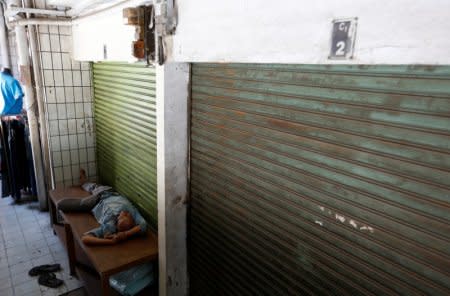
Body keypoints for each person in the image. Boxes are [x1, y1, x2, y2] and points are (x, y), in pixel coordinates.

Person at [57, 170, 148, 246]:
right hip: (108, 192)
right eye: (126, 214)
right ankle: (84, 182)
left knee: (63, 204)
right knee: (94, 187)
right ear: (131, 219)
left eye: (122, 217)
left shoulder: (110, 226)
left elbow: (85, 238)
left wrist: (111, 242)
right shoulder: (133, 213)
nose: (124, 213)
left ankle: (84, 186)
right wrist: (125, 235)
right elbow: (143, 225)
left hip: (96, 202)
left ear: (117, 222)